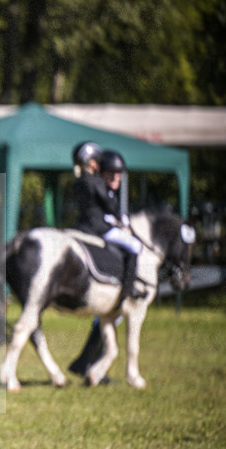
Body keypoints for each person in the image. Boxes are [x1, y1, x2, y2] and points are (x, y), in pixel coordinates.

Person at [68, 145, 143, 376]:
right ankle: (128, 291)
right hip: (99, 228)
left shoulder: (81, 181)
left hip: (86, 226)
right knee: (135, 246)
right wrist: (121, 216)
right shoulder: (95, 183)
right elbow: (109, 207)